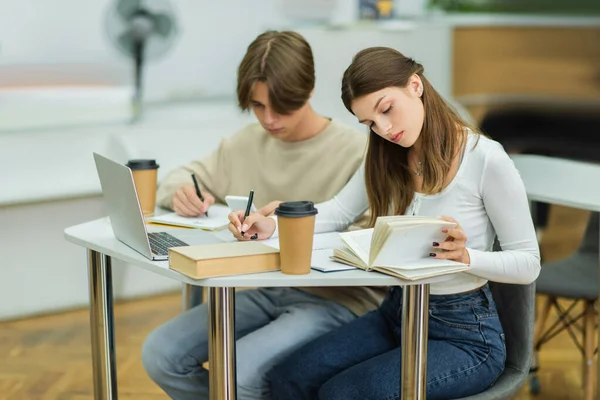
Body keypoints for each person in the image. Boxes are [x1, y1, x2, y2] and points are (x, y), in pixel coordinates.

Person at [235, 47, 541, 400]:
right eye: (369, 124)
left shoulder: (485, 159)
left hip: (465, 334)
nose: (384, 129)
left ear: (415, 85)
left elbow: (528, 264)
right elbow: (337, 212)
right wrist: (273, 224)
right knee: (291, 377)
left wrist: (466, 256)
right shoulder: (385, 154)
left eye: (386, 110)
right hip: (396, 311)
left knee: (342, 394)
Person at [141, 31, 388, 400]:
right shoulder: (243, 144)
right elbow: (181, 177)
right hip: (270, 288)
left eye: (282, 106)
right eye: (258, 106)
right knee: (161, 354)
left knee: (239, 371)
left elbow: (372, 239)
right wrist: (182, 194)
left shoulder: (359, 150)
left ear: (308, 89)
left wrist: (283, 231)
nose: (269, 119)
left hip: (340, 299)